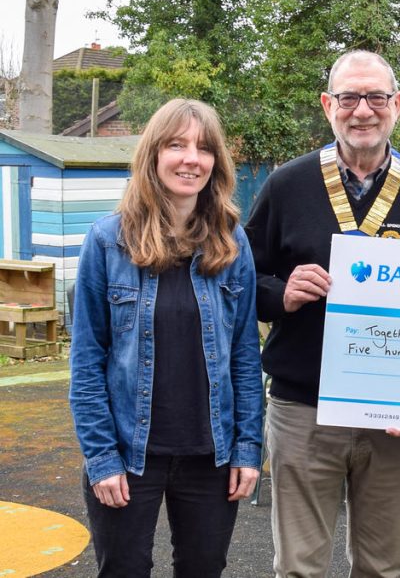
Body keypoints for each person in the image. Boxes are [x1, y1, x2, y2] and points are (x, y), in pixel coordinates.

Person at [245, 49, 400, 578]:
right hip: (303, 408)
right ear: (328, 105)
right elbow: (241, 279)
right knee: (299, 567)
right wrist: (281, 294)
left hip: (393, 416)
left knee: (382, 567)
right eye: (348, 98)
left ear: (398, 105)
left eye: (376, 97)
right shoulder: (287, 185)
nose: (362, 110)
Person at [69, 98, 263, 577]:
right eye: (176, 145)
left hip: (210, 455)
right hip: (128, 455)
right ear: (153, 155)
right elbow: (87, 362)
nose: (190, 158)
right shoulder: (107, 241)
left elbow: (244, 355)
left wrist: (246, 448)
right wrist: (100, 456)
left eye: (203, 148)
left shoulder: (233, 243)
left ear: (216, 162)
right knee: (123, 570)